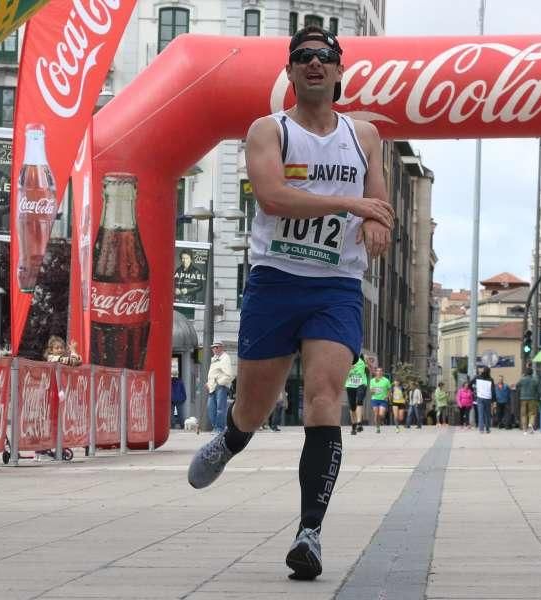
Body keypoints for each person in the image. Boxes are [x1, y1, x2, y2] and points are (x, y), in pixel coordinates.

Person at [187, 25, 394, 581]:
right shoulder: (268, 130)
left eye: (324, 57)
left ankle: (310, 533)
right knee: (256, 406)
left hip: (335, 286)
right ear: (290, 71)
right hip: (276, 279)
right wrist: (357, 206)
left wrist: (378, 227)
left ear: (338, 70)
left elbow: (380, 205)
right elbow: (274, 198)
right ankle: (232, 437)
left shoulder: (365, 136)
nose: (313, 64)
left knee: (325, 397)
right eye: (302, 57)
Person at [205, 341, 235, 433]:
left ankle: (219, 428)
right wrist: (208, 383)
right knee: (211, 408)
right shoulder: (214, 359)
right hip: (212, 387)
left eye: (217, 347)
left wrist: (220, 383)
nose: (214, 349)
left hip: (220, 386)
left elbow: (229, 374)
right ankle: (216, 427)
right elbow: (213, 373)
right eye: (213, 347)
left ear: (222, 348)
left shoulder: (225, 358)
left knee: (220, 409)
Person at [345, 354, 369, 435]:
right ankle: (353, 425)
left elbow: (369, 368)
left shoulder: (362, 357)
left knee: (359, 401)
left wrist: (367, 363)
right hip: (350, 384)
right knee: (352, 407)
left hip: (361, 383)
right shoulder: (346, 357)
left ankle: (359, 423)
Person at [517, 367, 541, 434]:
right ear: (532, 373)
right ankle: (530, 423)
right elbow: (538, 391)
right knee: (532, 413)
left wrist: (522, 378)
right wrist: (539, 398)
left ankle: (525, 430)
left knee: (523, 414)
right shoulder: (535, 380)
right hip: (532, 398)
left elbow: (517, 385)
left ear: (525, 373)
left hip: (523, 399)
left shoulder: (522, 379)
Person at [473, 366, 496, 433]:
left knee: (480, 414)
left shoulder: (478, 377)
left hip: (480, 397)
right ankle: (488, 429)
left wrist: (475, 391)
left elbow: (470, 383)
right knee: (487, 414)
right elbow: (493, 390)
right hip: (487, 398)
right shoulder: (490, 379)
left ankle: (481, 429)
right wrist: (494, 400)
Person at [368, 368, 391, 434]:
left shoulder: (386, 380)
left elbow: (389, 390)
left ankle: (381, 421)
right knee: (376, 414)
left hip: (383, 400)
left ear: (382, 372)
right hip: (374, 399)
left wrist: (387, 396)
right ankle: (378, 428)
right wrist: (373, 391)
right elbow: (371, 391)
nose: (379, 372)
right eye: (378, 371)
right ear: (376, 372)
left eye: (380, 371)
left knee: (381, 414)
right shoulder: (372, 380)